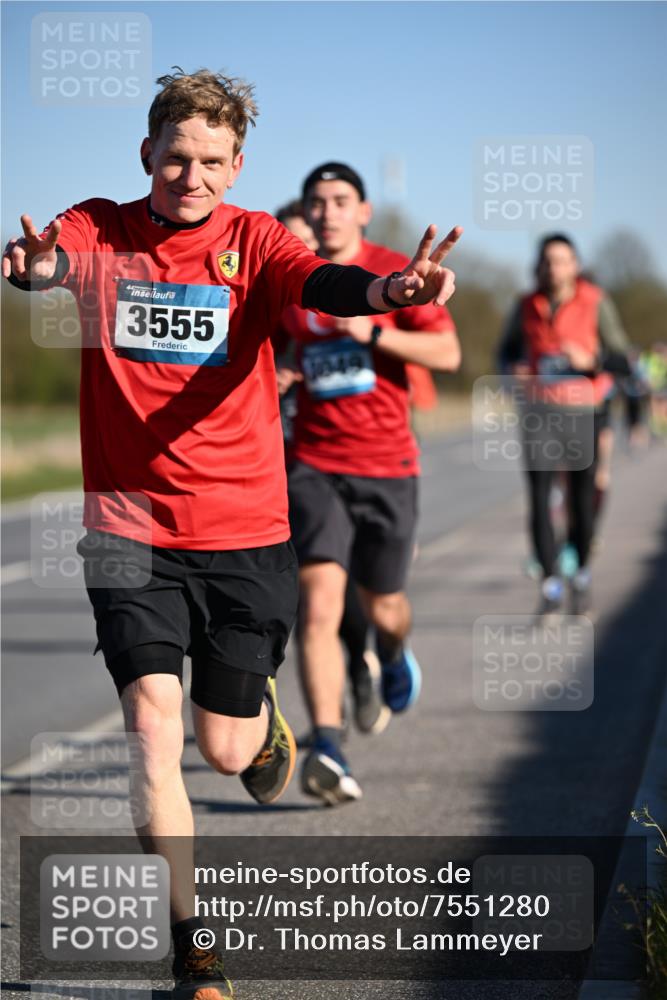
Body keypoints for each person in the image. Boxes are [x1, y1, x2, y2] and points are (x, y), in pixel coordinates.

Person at [3, 72, 461, 1000]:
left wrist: (387, 289)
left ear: (236, 166)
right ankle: (193, 950)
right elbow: (51, 262)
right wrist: (34, 270)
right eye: (175, 157)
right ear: (147, 155)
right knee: (148, 727)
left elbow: (320, 280)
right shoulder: (101, 226)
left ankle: (262, 730)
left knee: (220, 748)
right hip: (128, 529)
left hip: (245, 528)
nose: (191, 176)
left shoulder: (254, 238)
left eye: (211, 161)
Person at [273, 162, 461, 806]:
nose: (326, 212)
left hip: (388, 465)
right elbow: (264, 346)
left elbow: (449, 356)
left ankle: (393, 648)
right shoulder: (293, 276)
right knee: (319, 606)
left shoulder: (396, 270)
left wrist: (375, 329)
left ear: (363, 210)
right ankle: (326, 743)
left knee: (384, 604)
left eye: (339, 200)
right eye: (315, 202)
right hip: (315, 465)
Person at [497, 233, 631, 618]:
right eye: (546, 261)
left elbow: (622, 359)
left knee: (581, 503)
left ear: (575, 265)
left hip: (582, 414)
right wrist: (512, 371)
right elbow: (504, 352)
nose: (553, 268)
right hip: (539, 413)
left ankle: (582, 573)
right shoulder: (524, 305)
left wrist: (591, 359)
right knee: (538, 500)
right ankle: (551, 584)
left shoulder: (595, 301)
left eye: (561, 260)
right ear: (537, 266)